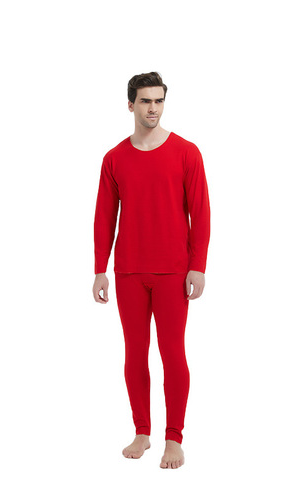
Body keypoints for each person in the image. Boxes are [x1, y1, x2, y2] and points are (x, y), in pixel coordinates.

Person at [92, 71, 211, 469]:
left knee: (172, 353)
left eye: (159, 100)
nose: (153, 108)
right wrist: (100, 268)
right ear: (131, 105)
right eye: (145, 101)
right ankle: (142, 432)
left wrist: (197, 266)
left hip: (173, 272)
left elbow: (201, 214)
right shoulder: (114, 158)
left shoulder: (187, 153)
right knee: (135, 353)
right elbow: (104, 218)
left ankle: (173, 438)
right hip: (128, 271)